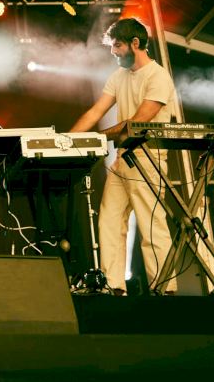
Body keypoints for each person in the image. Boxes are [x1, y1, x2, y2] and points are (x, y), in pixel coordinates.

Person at [69, 18, 177, 296]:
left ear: (135, 43)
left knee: (151, 225)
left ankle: (165, 290)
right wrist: (67, 140)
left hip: (148, 158)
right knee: (109, 220)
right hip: (123, 159)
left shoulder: (158, 77)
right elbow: (95, 112)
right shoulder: (119, 76)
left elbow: (135, 124)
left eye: (117, 45)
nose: (113, 51)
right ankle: (113, 287)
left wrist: (94, 138)